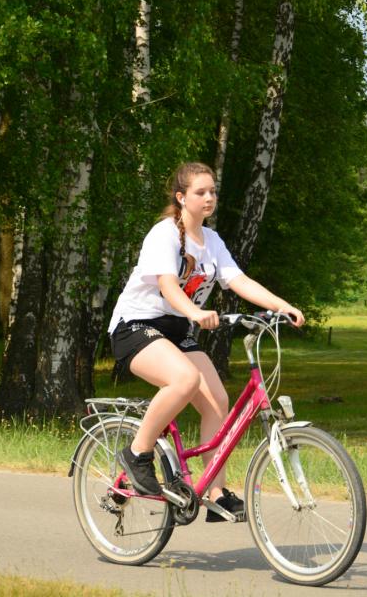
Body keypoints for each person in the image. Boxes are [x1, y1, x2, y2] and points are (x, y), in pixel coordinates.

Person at [109, 161, 305, 522]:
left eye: (212, 191)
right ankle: (137, 453)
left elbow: (239, 281)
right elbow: (168, 285)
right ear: (181, 197)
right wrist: (195, 313)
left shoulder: (212, 241)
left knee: (218, 402)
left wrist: (282, 306)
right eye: (200, 192)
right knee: (184, 379)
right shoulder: (164, 234)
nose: (209, 197)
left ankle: (215, 493)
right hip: (136, 326)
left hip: (176, 330)